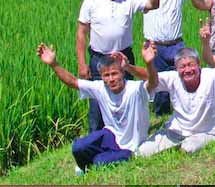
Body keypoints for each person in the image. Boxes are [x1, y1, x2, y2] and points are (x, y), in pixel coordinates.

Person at [109, 0, 207, 117]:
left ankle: (185, 111)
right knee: (158, 83)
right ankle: (161, 116)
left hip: (176, 45)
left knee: (183, 79)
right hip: (154, 47)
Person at [36, 41, 158, 173]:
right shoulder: (100, 88)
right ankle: (86, 167)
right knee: (78, 147)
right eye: (107, 75)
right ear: (102, 77)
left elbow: (153, 81)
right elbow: (73, 82)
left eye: (114, 74)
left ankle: (105, 161)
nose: (111, 79)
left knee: (99, 161)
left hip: (130, 146)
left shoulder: (135, 90)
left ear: (123, 73)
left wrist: (148, 63)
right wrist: (54, 64)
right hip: (110, 136)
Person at [76, 0, 159, 132]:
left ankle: (127, 135)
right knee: (97, 101)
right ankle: (96, 136)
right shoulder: (91, 1)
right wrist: (82, 64)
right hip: (99, 59)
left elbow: (153, 4)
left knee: (127, 98)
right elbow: (81, 34)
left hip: (124, 58)